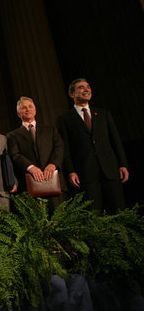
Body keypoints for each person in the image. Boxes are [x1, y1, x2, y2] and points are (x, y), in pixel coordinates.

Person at [56, 78, 129, 213]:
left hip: (110, 170)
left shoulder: (103, 114)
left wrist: (123, 164)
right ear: (72, 94)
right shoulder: (65, 119)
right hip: (86, 173)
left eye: (88, 87)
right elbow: (65, 148)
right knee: (94, 213)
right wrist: (71, 171)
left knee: (119, 210)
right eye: (81, 87)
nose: (86, 89)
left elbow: (115, 141)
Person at [7, 96, 67, 212]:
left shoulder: (50, 130)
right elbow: (15, 155)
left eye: (30, 107)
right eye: (24, 108)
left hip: (53, 182)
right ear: (19, 114)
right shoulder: (12, 136)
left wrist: (53, 164)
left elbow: (59, 148)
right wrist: (31, 167)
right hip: (31, 184)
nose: (27, 109)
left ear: (35, 111)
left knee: (59, 218)